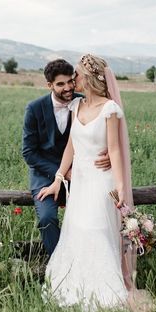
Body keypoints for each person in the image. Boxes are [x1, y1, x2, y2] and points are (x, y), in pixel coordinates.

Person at [37, 54, 154, 312]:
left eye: (76, 74)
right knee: (77, 229)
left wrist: (121, 188)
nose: (72, 79)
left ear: (88, 79)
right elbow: (71, 146)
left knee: (96, 229)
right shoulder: (76, 107)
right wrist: (58, 177)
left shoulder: (109, 109)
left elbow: (114, 150)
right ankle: (76, 285)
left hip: (102, 181)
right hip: (79, 180)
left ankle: (104, 291)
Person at [22, 59, 110, 257]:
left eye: (70, 81)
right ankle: (60, 262)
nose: (68, 87)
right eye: (60, 84)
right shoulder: (34, 109)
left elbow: (105, 132)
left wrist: (111, 155)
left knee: (92, 217)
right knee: (46, 218)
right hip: (45, 176)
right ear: (50, 85)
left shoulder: (83, 102)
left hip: (83, 174)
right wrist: (62, 173)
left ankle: (90, 259)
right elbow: (29, 152)